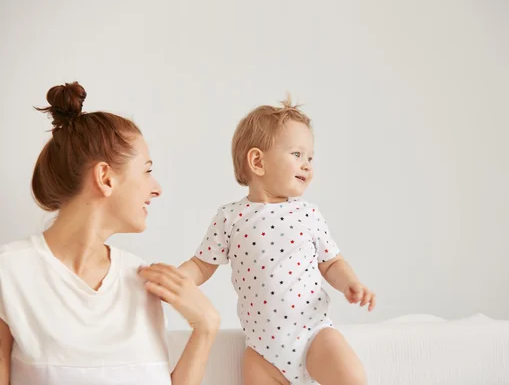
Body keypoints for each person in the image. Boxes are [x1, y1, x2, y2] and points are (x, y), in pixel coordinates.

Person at [0, 82, 220, 385]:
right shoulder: (10, 273)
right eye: (146, 170)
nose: (157, 188)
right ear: (105, 178)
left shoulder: (143, 281)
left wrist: (205, 329)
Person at [180, 97, 375, 385]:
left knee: (352, 377)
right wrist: (174, 280)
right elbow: (201, 264)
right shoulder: (231, 217)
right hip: (262, 351)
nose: (307, 165)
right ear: (258, 161)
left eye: (310, 157)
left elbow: (331, 261)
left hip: (313, 334)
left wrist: (350, 283)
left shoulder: (308, 213)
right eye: (297, 154)